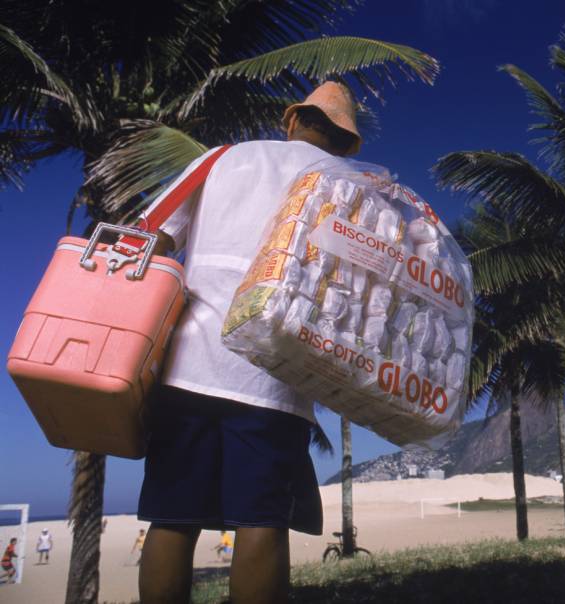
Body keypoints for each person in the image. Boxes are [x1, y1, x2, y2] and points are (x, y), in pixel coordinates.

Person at [136, 81, 359, 603]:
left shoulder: (220, 159)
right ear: (346, 143)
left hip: (188, 366)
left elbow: (155, 239)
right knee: (260, 520)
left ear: (291, 121)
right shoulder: (351, 185)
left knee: (173, 517)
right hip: (276, 376)